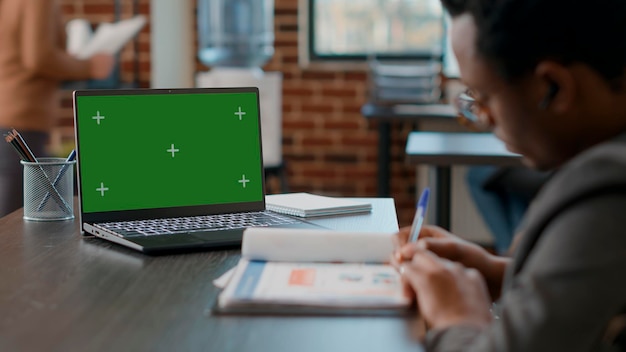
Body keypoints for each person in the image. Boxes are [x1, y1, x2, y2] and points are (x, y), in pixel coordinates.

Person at [394, 0, 626, 350]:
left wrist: (457, 318)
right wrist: (501, 272)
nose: (482, 119)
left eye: (483, 97)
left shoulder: (607, 194)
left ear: (554, 87)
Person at [0, 0, 115, 217]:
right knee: (11, 219)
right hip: (20, 113)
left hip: (9, 111)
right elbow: (38, 57)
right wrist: (90, 66)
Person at [465, 165, 551, 254]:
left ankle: (508, 251)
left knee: (476, 174)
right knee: (513, 191)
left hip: (548, 173)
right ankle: (513, 254)